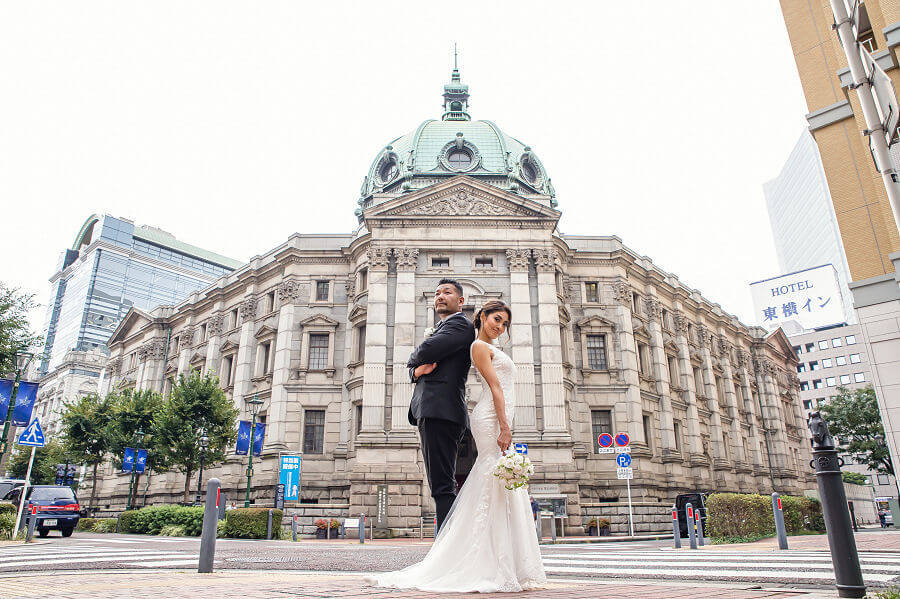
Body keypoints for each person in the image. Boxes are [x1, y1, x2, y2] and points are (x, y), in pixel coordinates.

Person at [366, 300, 546, 593]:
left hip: (497, 416)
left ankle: (501, 561)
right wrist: (504, 426)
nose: (500, 327)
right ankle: (485, 560)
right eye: (496, 319)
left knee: (496, 482)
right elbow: (496, 387)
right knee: (492, 477)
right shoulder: (479, 346)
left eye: (504, 323)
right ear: (482, 317)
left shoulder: (490, 347)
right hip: (491, 417)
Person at [406, 279, 476, 534]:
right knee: (440, 483)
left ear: (461, 301)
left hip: (441, 409)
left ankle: (447, 544)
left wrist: (414, 363)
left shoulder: (460, 325)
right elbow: (419, 365)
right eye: (437, 293)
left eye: (447, 292)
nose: (440, 296)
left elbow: (423, 352)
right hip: (434, 410)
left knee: (442, 485)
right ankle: (448, 543)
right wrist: (416, 372)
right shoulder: (443, 328)